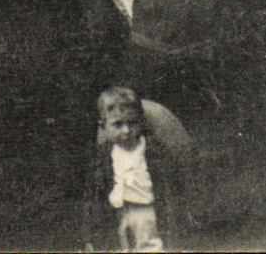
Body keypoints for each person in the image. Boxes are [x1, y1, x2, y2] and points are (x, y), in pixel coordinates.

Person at [79, 87, 193, 252]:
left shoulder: (153, 150)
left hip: (148, 212)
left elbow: (172, 185)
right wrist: (90, 235)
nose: (126, 130)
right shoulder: (102, 157)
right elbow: (93, 196)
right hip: (118, 213)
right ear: (103, 126)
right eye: (117, 124)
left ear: (141, 121)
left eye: (132, 122)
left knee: (151, 246)